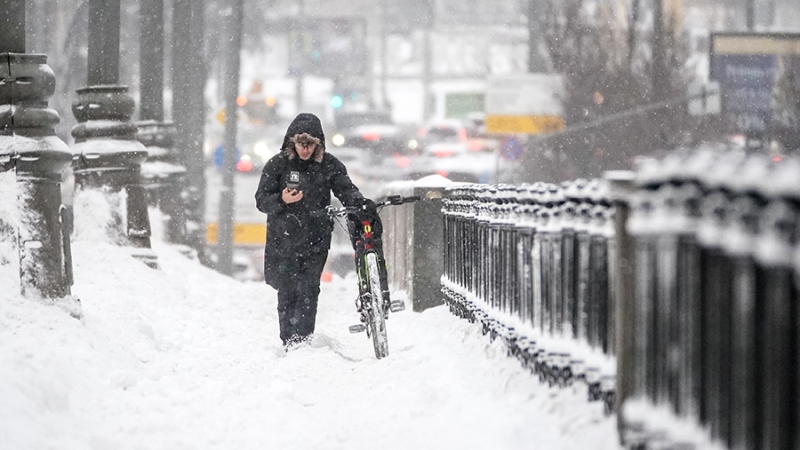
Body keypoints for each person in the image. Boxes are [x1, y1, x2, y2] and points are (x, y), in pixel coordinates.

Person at [255, 113, 373, 350]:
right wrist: (282, 199)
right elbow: (261, 200)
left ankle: (303, 340)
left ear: (318, 143)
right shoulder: (277, 165)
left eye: (310, 145)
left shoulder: (329, 165)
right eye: (301, 144)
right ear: (292, 142)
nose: (305, 150)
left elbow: (345, 189)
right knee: (287, 289)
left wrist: (359, 203)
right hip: (283, 238)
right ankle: (289, 340)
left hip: (316, 238)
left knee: (309, 288)